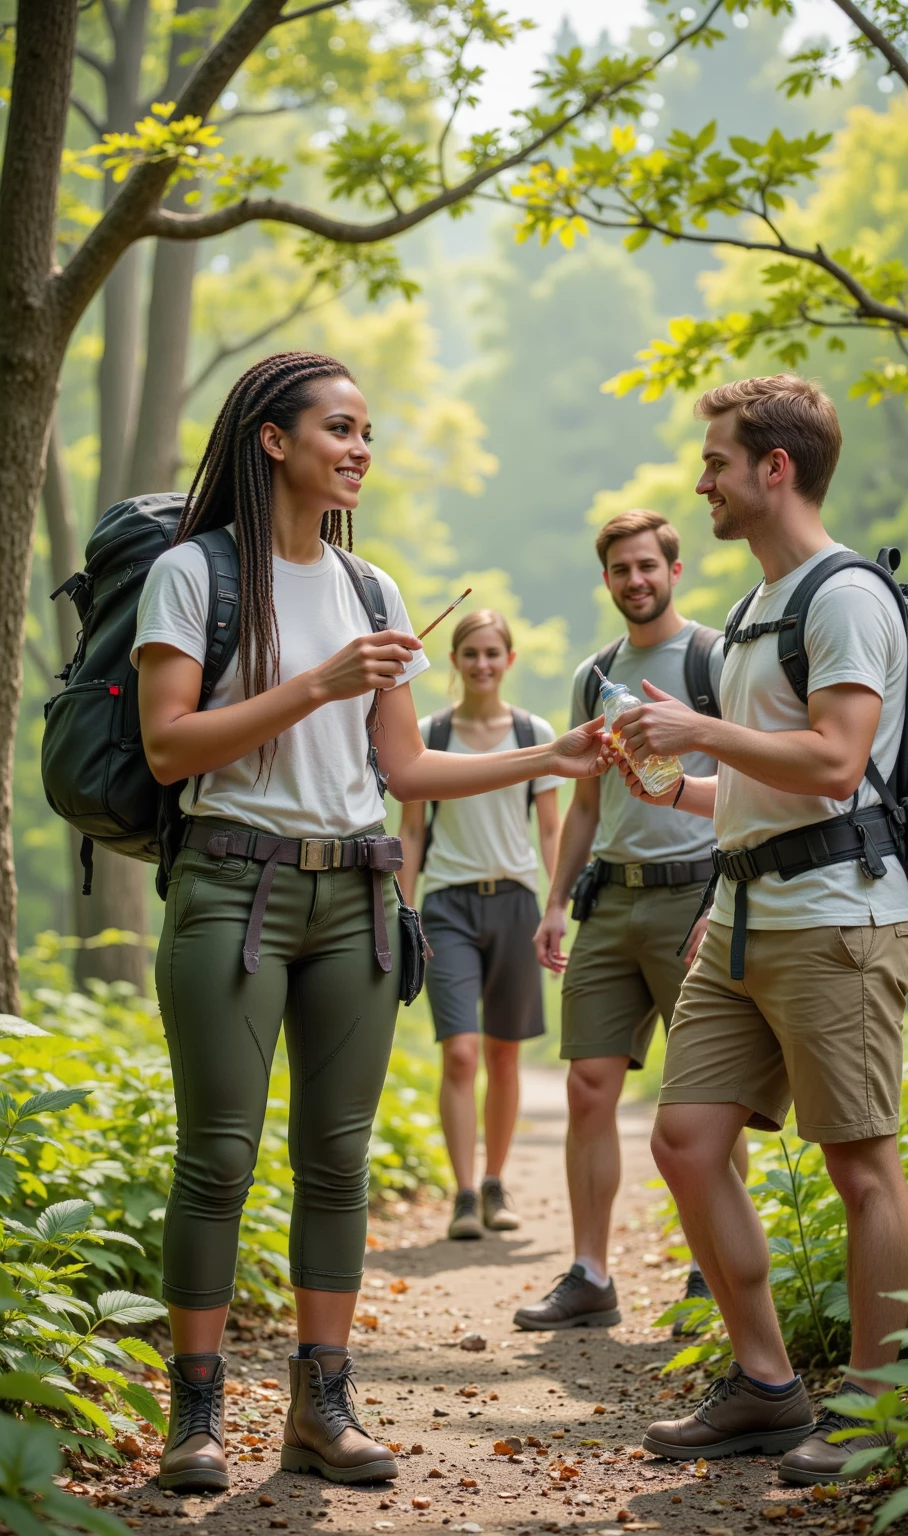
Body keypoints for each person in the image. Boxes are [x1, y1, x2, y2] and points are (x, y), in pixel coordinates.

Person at [133, 351, 609, 1494]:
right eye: (339, 428)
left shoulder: (374, 589)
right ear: (273, 440)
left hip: (358, 896)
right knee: (218, 1158)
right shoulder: (194, 575)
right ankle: (193, 1419)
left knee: (337, 1161)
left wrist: (549, 754)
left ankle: (322, 1402)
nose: (358, 449)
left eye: (368, 434)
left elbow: (402, 762)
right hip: (229, 889)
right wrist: (317, 684)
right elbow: (167, 746)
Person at [612, 376, 908, 1484]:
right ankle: (767, 1386)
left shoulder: (843, 597)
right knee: (688, 1142)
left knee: (860, 1167)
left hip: (837, 921)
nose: (702, 481)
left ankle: (878, 1414)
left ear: (772, 469)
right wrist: (671, 788)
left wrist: (697, 727)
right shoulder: (754, 608)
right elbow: (761, 784)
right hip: (740, 915)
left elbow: (838, 763)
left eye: (715, 462)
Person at [515, 509, 747, 1333]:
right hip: (609, 901)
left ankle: (710, 1271)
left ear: (673, 569)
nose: (636, 580)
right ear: (607, 579)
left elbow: (752, 786)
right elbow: (585, 802)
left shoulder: (717, 657)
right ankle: (589, 1273)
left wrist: (727, 896)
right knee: (587, 1087)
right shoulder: (596, 674)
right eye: (621, 569)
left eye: (649, 565)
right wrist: (553, 900)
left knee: (713, 1092)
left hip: (698, 894)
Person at [399, 609, 562, 1240]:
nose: (483, 664)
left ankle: (496, 1182)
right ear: (455, 660)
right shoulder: (428, 733)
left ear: (509, 660)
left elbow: (550, 828)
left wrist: (556, 903)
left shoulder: (534, 731)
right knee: (461, 1053)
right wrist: (403, 912)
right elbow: (410, 831)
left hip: (517, 902)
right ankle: (463, 1193)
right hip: (446, 906)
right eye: (471, 653)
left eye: (493, 653)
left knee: (503, 1052)